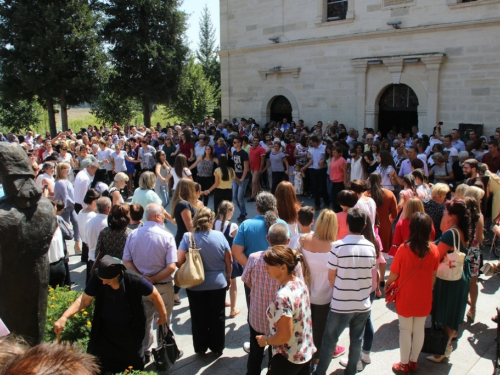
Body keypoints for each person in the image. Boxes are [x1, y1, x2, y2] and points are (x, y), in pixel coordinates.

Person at [54, 255, 167, 373]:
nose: (103, 283)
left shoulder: (134, 280)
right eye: (102, 279)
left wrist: (163, 315)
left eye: (107, 281)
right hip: (104, 334)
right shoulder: (98, 277)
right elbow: (84, 300)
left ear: (117, 276)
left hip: (130, 335)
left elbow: (155, 294)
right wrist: (64, 317)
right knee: (98, 365)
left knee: (132, 366)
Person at [313, 208, 376, 375]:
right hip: (363, 304)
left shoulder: (338, 247)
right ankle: (351, 371)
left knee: (329, 340)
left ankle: (320, 372)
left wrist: (340, 290)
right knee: (357, 340)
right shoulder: (371, 247)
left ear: (347, 223)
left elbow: (331, 276)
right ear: (364, 225)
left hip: (341, 304)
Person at [384, 212, 440, 373]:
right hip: (424, 295)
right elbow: (433, 275)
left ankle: (403, 363)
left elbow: (394, 273)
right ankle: (413, 361)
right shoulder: (434, 250)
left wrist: (388, 284)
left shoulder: (404, 248)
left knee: (405, 329)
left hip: (406, 295)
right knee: (419, 329)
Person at [295, 210, 348, 371]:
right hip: (326, 296)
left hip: (305, 292)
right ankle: (316, 360)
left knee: (305, 327)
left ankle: (304, 356)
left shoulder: (304, 240)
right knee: (321, 329)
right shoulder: (336, 247)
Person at [122, 203, 177, 357]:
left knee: (144, 320)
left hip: (140, 286)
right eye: (163, 215)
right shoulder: (167, 236)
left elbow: (126, 260)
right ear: (158, 216)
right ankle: (163, 349)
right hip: (163, 287)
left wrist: (142, 278)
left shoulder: (133, 234)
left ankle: (145, 350)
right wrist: (152, 279)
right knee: (164, 318)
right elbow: (171, 266)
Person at [177, 207, 232, 355]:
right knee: (217, 317)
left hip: (195, 285)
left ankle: (200, 348)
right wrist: (228, 277)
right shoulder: (220, 236)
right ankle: (217, 347)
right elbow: (229, 260)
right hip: (218, 283)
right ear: (211, 220)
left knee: (198, 317)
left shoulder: (188, 237)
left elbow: (178, 261)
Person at [256, 245, 316, 375]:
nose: (265, 268)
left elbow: (284, 336)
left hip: (287, 358)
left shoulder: (282, 297)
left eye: (269, 265)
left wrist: (265, 340)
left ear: (283, 267)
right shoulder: (300, 283)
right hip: (304, 352)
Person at [428, 199, 471, 362]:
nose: (443, 214)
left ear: (452, 216)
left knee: (445, 310)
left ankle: (442, 349)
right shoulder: (463, 230)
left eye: (446, 212)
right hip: (461, 275)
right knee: (453, 311)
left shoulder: (450, 233)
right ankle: (446, 347)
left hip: (449, 279)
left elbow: (436, 255)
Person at [214, 201, 241, 318]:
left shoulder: (213, 222)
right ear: (229, 212)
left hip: (216, 258)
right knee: (233, 283)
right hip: (229, 259)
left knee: (220, 282)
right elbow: (239, 242)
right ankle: (233, 309)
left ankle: (221, 302)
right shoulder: (233, 226)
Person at [463, 191, 484, 323]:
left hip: (462, 249)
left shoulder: (462, 214)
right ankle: (473, 309)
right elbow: (480, 239)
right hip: (474, 251)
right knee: (473, 281)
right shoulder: (479, 216)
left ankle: (460, 307)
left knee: (459, 279)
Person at [365, 172, 397, 259]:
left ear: (369, 182)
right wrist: (389, 220)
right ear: (381, 181)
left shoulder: (365, 195)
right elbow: (395, 213)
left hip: (369, 226)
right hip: (385, 225)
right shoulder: (389, 194)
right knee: (384, 255)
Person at [92, 204, 132, 268]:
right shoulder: (131, 234)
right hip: (124, 270)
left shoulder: (104, 232)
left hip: (107, 270)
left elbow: (97, 253)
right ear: (127, 217)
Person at [54, 162, 81, 254]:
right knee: (65, 227)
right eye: (65, 168)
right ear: (61, 170)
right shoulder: (60, 182)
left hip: (70, 207)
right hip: (64, 208)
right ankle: (64, 247)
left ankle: (77, 244)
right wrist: (75, 204)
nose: (68, 169)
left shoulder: (67, 181)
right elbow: (65, 197)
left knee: (76, 223)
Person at [85, 197, 112, 282]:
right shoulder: (109, 223)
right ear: (108, 208)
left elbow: (86, 243)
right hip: (104, 262)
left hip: (92, 259)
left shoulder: (89, 221)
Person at [301, 135, 330, 210]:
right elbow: (312, 160)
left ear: (316, 142)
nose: (311, 144)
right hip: (314, 169)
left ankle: (326, 202)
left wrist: (323, 161)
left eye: (312, 142)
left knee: (323, 187)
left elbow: (329, 157)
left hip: (322, 170)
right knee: (315, 187)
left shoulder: (324, 148)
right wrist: (305, 167)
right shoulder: (313, 149)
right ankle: (317, 204)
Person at [231, 136, 250, 222]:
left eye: (235, 142)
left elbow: (246, 167)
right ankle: (243, 212)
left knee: (240, 197)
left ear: (240, 143)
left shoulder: (244, 154)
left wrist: (242, 179)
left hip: (243, 178)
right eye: (233, 142)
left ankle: (243, 213)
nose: (233, 143)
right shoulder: (234, 152)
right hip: (235, 178)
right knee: (235, 197)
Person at [329, 146, 347, 212]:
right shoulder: (332, 158)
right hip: (333, 180)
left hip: (340, 181)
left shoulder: (342, 160)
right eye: (333, 152)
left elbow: (345, 171)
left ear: (339, 153)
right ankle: (335, 208)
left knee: (338, 196)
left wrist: (345, 181)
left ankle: (339, 209)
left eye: (335, 153)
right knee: (332, 195)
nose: (333, 154)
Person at [249, 136, 266, 202]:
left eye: (257, 141)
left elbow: (262, 160)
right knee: (256, 182)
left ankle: (253, 196)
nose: (255, 142)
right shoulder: (250, 148)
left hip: (257, 168)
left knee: (254, 182)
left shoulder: (261, 149)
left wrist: (261, 169)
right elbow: (250, 157)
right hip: (252, 167)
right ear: (252, 141)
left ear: (259, 142)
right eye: (254, 140)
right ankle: (262, 194)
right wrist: (250, 167)